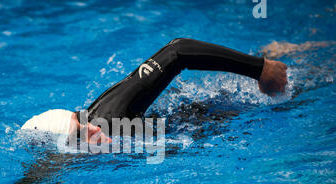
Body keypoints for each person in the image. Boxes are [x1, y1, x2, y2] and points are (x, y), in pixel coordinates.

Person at [21, 38, 288, 144]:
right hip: (182, 132)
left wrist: (261, 69)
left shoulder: (109, 118)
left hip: (218, 112)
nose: (92, 128)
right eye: (81, 133)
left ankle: (271, 56)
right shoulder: (64, 163)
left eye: (82, 121)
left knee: (297, 93)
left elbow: (178, 51)